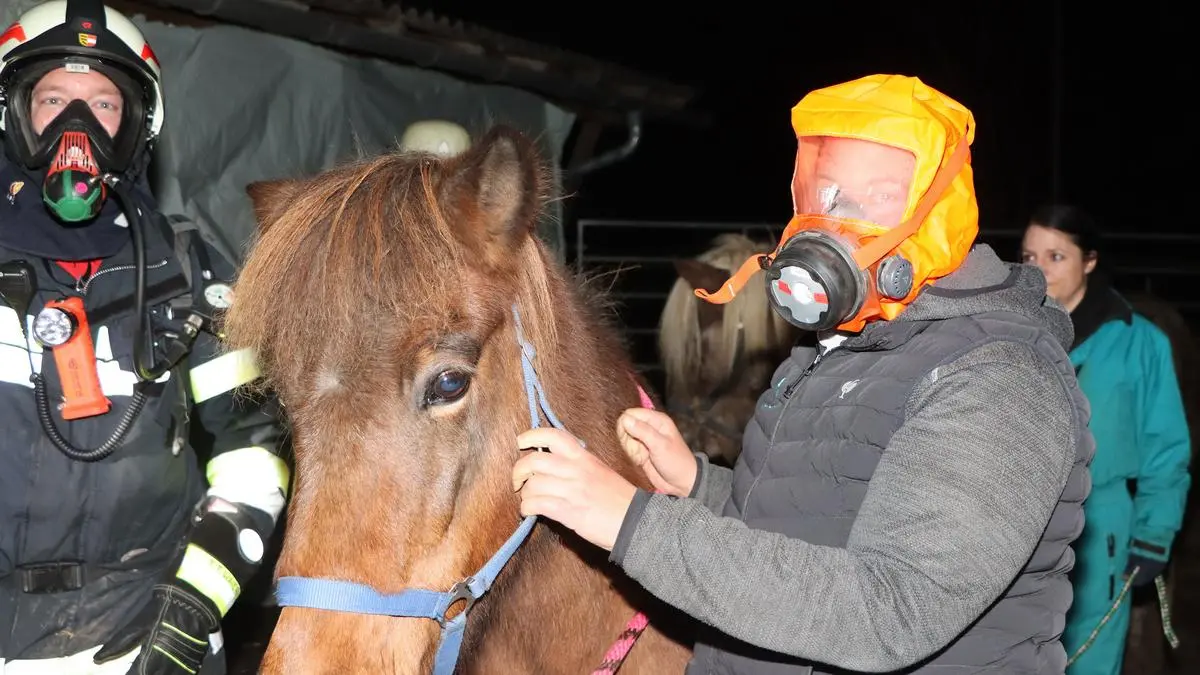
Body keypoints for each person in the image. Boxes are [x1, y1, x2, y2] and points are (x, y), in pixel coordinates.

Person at [511, 74, 1094, 673]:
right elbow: (812, 526)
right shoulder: (839, 346)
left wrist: (631, 525)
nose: (833, 219)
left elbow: (890, 612)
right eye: (825, 192)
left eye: (876, 197)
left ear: (939, 213)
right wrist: (700, 487)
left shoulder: (1000, 378)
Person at [0, 2, 288, 674]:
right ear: (15, 112)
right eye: (54, 100)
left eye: (102, 104)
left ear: (136, 128)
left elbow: (256, 451)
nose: (77, 127)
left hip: (147, 640)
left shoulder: (192, 276)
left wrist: (192, 607)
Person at [1022, 204, 1190, 675]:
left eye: (1056, 257)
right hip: (1019, 515)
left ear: (1089, 262)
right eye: (1030, 257)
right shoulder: (1014, 334)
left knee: (1088, 656)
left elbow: (1166, 446)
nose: (1039, 270)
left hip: (1101, 524)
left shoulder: (1140, 343)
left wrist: (1155, 533)